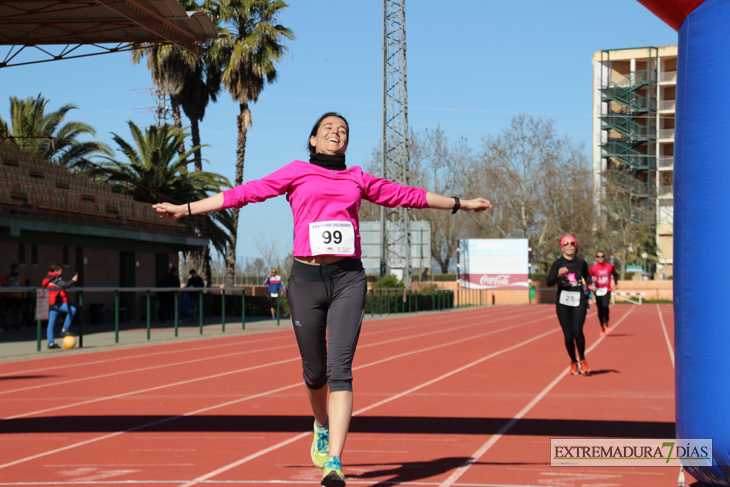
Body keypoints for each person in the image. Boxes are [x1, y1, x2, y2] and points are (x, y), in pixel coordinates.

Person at [153, 112, 492, 487]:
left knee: (339, 370)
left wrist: (461, 203)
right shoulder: (297, 171)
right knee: (314, 373)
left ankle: (335, 462)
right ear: (313, 139)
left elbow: (408, 196)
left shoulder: (357, 178)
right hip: (306, 280)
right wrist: (184, 209)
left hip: (348, 278)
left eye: (343, 130)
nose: (337, 132)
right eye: (328, 128)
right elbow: (244, 193)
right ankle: (320, 424)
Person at [546, 235, 596, 376]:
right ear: (562, 247)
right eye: (566, 244)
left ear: (576, 246)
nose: (569, 246)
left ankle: (583, 360)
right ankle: (573, 361)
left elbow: (586, 276)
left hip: (579, 300)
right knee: (568, 336)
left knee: (578, 331)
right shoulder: (558, 263)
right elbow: (549, 282)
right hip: (563, 303)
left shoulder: (581, 263)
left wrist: (590, 285)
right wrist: (558, 274)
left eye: (572, 244)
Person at [42, 263, 78, 349]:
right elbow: (65, 285)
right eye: (61, 270)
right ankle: (65, 329)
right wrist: (73, 280)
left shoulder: (50, 278)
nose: (62, 272)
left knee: (51, 323)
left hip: (52, 302)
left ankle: (51, 343)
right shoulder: (53, 278)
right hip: (56, 302)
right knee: (72, 310)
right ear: (56, 271)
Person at [589, 251, 619, 336]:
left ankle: (607, 322)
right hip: (598, 290)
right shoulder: (593, 268)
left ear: (604, 257)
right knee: (600, 310)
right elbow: (587, 277)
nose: (600, 258)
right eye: (598, 256)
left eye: (602, 256)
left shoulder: (610, 266)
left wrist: (616, 283)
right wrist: (591, 282)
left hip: (607, 289)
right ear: (596, 258)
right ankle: (602, 326)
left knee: (605, 306)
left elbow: (615, 274)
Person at [5, 264, 27, 329]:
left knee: (19, 310)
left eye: (16, 269)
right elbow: (5, 286)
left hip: (18, 296)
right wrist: (4, 296)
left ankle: (20, 324)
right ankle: (7, 324)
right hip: (9, 296)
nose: (14, 270)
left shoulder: (21, 277)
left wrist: (24, 296)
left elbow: (24, 287)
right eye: (13, 269)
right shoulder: (8, 277)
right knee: (8, 310)